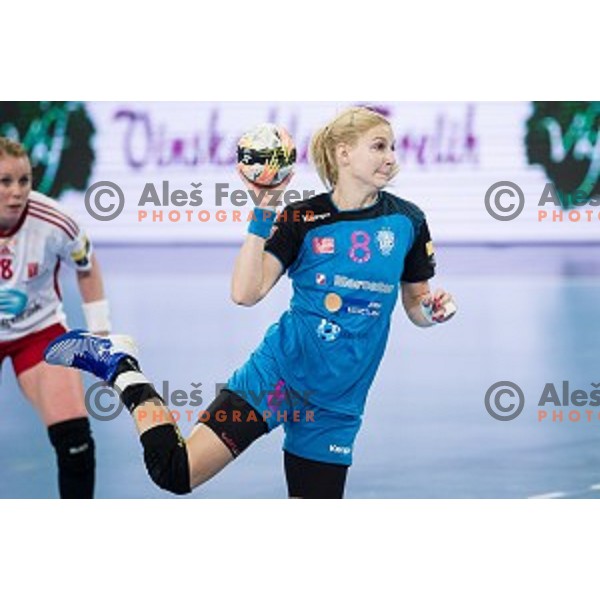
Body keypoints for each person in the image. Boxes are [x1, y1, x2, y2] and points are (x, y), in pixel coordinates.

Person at [44, 107, 457, 499]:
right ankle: (123, 371)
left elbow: (416, 305)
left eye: (392, 147)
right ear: (343, 153)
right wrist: (263, 210)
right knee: (176, 471)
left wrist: (431, 310)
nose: (391, 157)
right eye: (379, 146)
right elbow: (245, 293)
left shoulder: (409, 221)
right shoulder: (302, 219)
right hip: (275, 380)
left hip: (338, 404)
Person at [0, 136, 111, 498]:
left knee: (76, 443)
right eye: (5, 182)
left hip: (37, 332)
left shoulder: (55, 221)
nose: (17, 192)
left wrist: (100, 332)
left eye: (24, 180)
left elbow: (86, 265)